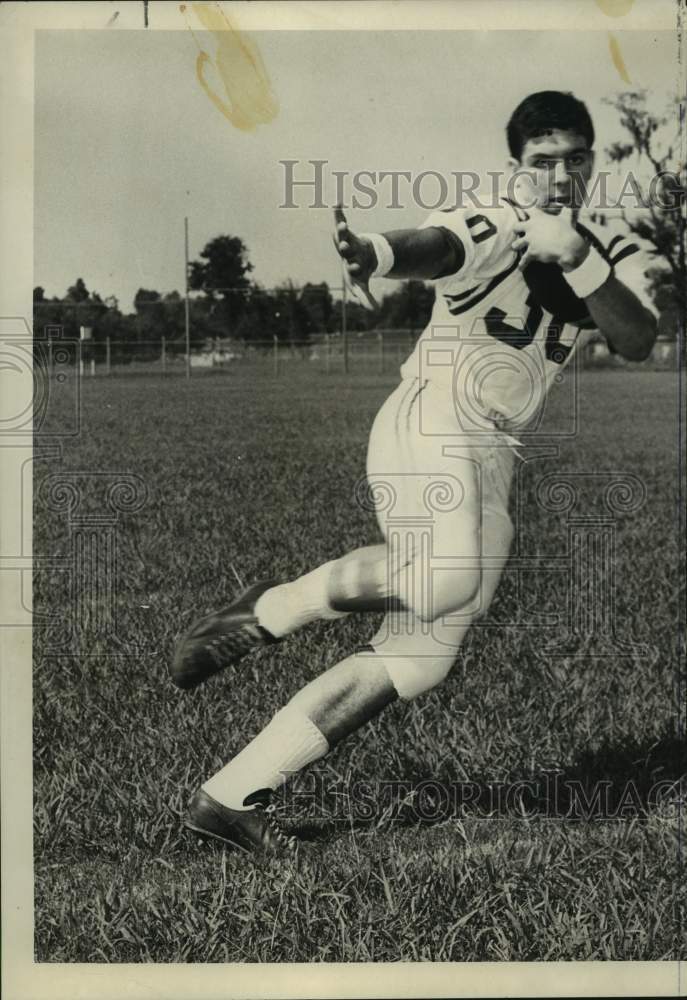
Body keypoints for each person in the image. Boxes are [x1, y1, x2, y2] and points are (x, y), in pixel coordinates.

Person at [172, 91, 658, 855]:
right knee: (444, 578)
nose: (557, 175)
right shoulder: (501, 214)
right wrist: (375, 250)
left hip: (495, 451)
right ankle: (272, 607)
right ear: (516, 168)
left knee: (422, 656)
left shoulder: (615, 242)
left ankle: (232, 797)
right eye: (541, 162)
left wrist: (582, 259)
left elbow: (638, 334)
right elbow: (438, 243)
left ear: (593, 161)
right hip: (432, 416)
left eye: (572, 159)